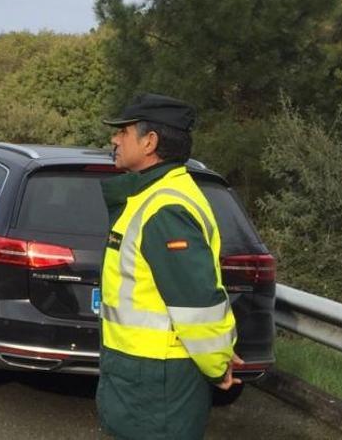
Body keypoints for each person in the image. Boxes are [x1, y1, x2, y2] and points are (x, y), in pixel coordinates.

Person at [96, 94, 242, 439]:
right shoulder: (152, 196)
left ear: (150, 142)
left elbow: (197, 303)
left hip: (158, 381)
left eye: (124, 132)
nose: (115, 139)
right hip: (142, 375)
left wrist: (218, 363)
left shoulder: (165, 208)